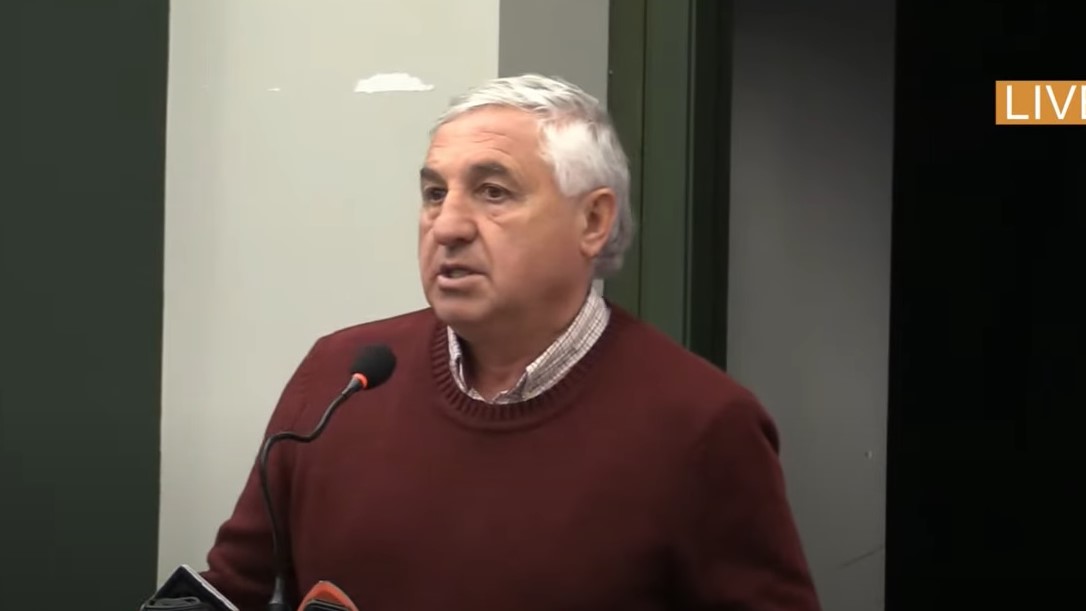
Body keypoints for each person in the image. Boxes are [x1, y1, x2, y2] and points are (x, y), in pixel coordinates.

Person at [201, 74, 821, 610]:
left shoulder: (703, 424)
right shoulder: (342, 377)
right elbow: (231, 587)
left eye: (493, 192)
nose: (447, 226)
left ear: (593, 221)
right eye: (435, 193)